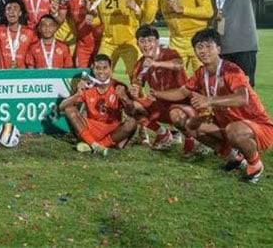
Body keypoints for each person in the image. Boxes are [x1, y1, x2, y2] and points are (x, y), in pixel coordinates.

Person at [150, 29, 273, 183]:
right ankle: (234, 157)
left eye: (209, 46)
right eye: (199, 47)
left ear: (219, 49)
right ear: (194, 51)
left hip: (257, 126)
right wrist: (157, 94)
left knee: (233, 130)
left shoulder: (231, 70)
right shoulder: (201, 73)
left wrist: (209, 101)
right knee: (192, 125)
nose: (204, 50)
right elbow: (182, 92)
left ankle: (255, 165)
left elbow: (242, 98)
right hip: (228, 124)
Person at [128, 25, 204, 155]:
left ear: (157, 42)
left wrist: (155, 63)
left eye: (150, 41)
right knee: (131, 106)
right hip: (160, 106)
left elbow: (178, 64)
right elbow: (136, 83)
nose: (146, 45)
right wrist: (134, 90)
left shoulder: (169, 53)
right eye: (142, 41)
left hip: (181, 104)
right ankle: (163, 134)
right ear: (137, 43)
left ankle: (189, 137)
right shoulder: (140, 63)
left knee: (176, 115)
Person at [59, 54, 138, 156]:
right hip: (91, 127)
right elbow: (62, 107)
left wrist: (125, 98)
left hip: (112, 130)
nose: (101, 72)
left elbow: (132, 112)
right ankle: (96, 145)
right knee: (70, 109)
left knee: (132, 122)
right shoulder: (88, 86)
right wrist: (77, 95)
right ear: (93, 68)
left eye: (105, 68)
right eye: (98, 68)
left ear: (111, 69)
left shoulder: (119, 86)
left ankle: (95, 145)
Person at [87, 0, 143, 77]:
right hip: (108, 41)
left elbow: (142, 15)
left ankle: (139, 97)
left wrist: (135, 7)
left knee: (136, 77)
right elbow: (99, 19)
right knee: (101, 75)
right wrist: (92, 20)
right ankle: (106, 97)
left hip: (129, 41)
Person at [0, 0, 37, 69]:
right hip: (2, 76)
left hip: (22, 76)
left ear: (20, 13)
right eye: (9, 9)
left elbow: (34, 54)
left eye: (15, 9)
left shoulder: (29, 33)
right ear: (5, 13)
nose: (12, 12)